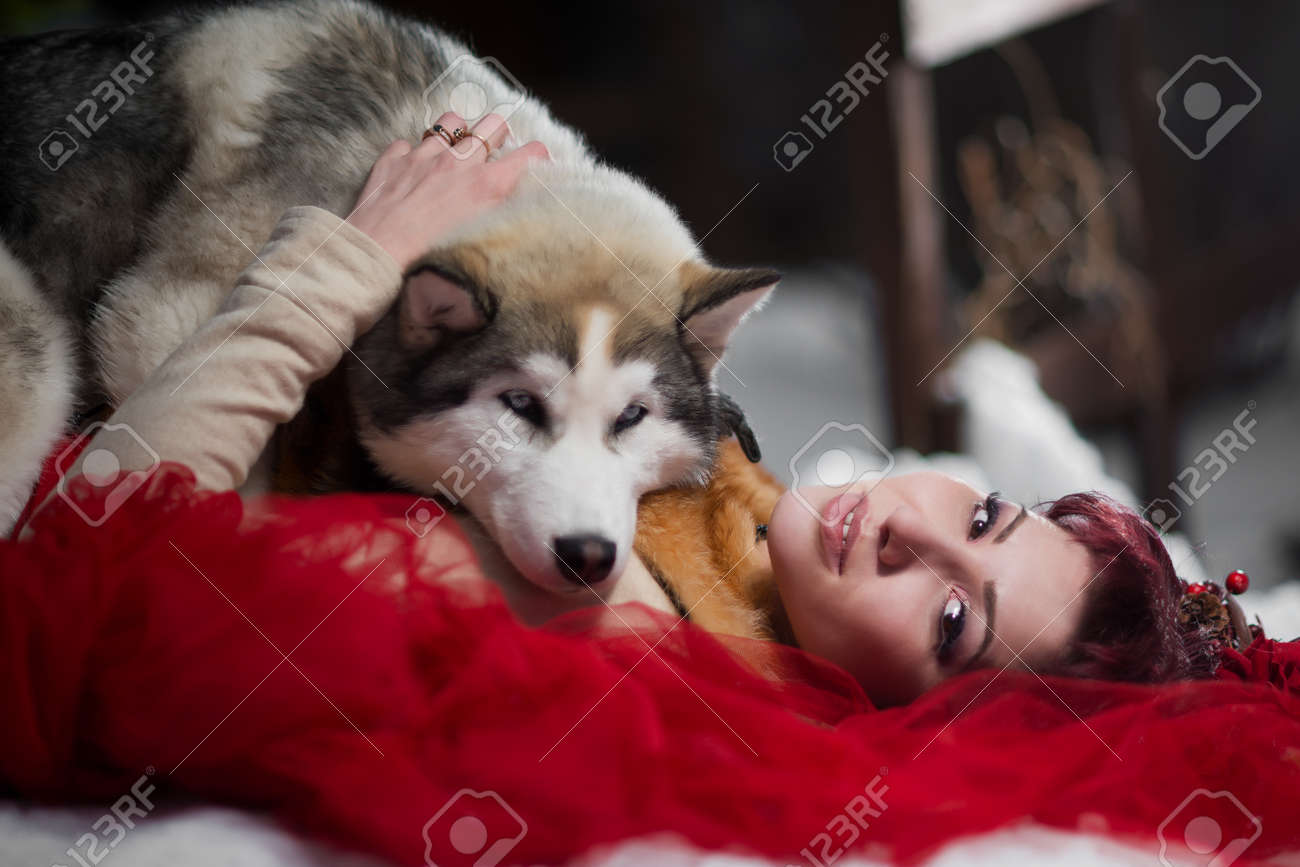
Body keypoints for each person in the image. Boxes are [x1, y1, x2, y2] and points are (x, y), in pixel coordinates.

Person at [25, 112, 1239, 709]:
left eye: (951, 621)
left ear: (920, 718)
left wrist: (351, 253)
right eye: (979, 512)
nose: (908, 534)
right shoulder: (741, 523)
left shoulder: (620, 619)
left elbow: (103, 559)